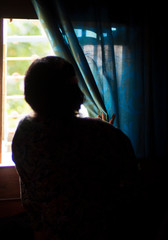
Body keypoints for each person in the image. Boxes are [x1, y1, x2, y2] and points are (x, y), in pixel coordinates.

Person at [12, 56, 139, 240]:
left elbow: (30, 200)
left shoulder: (23, 134)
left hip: (47, 233)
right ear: (73, 93)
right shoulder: (103, 134)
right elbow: (131, 186)